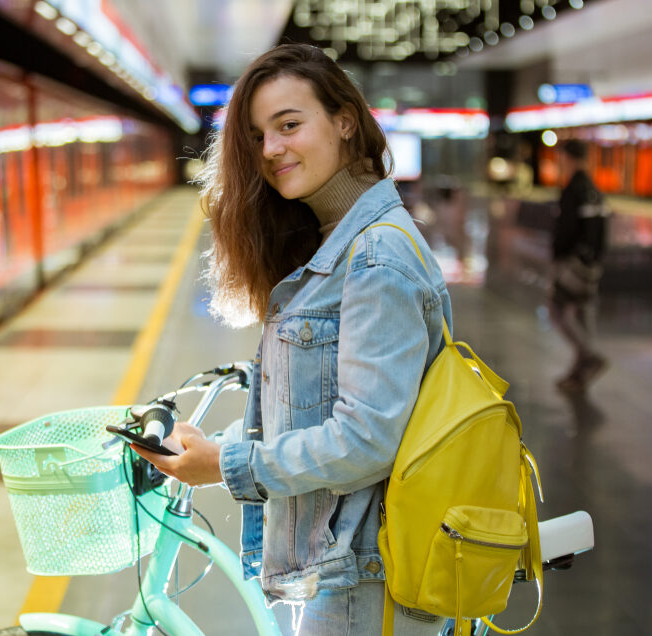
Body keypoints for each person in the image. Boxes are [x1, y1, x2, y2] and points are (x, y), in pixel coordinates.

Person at [132, 44, 452, 635]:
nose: (271, 149)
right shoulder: (337, 244)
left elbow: (365, 440)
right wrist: (218, 446)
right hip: (349, 567)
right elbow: (328, 412)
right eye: (257, 136)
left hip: (366, 580)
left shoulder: (374, 257)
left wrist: (228, 465)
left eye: (289, 124)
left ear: (344, 122)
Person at [549, 139, 610, 393]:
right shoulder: (593, 188)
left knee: (556, 309)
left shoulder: (573, 189)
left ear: (568, 157)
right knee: (583, 313)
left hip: (573, 263)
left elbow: (567, 230)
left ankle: (589, 355)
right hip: (591, 263)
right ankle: (578, 372)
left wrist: (559, 257)